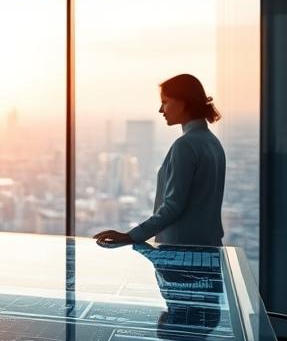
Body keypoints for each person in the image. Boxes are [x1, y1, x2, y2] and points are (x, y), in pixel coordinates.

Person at [94, 73, 225, 247]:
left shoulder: (185, 146)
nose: (161, 110)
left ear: (182, 103)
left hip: (181, 248)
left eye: (165, 102)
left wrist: (132, 236)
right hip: (208, 246)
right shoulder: (213, 143)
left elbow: (173, 207)